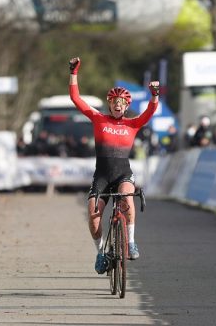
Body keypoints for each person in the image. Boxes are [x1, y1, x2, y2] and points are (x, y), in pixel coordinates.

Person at [68, 56, 159, 274]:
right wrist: (73, 72)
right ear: (110, 104)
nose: (117, 106)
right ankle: (101, 253)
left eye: (121, 103)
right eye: (114, 102)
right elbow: (76, 98)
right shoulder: (99, 119)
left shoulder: (132, 123)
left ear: (126, 106)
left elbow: (150, 112)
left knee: (127, 198)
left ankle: (131, 242)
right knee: (93, 214)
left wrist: (155, 95)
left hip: (122, 175)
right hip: (102, 175)